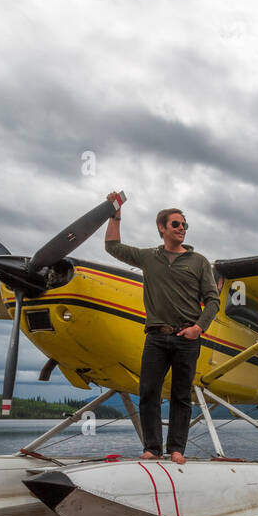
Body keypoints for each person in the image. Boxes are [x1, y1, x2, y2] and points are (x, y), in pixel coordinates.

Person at [103, 193, 220, 464]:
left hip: (187, 338)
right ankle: (152, 449)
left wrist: (198, 328)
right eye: (176, 224)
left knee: (181, 395)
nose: (182, 229)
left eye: (184, 225)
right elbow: (112, 246)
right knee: (148, 393)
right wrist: (115, 214)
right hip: (156, 336)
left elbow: (213, 300)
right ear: (162, 228)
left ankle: (177, 449)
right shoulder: (148, 257)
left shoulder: (199, 261)